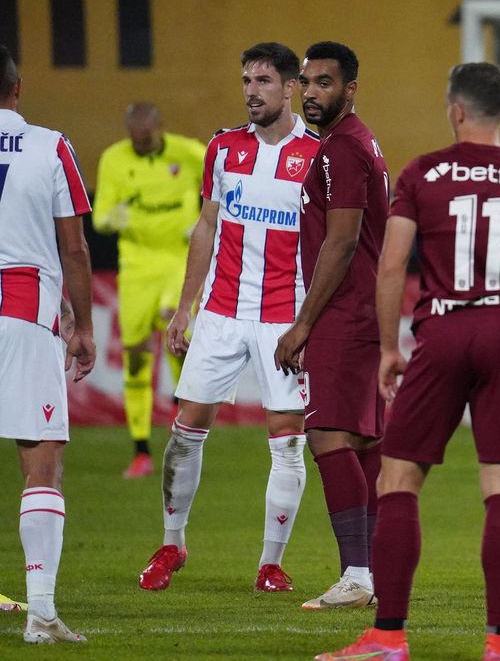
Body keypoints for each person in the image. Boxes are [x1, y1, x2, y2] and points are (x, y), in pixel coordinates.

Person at [318, 63, 500, 661]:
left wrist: (387, 348)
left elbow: (389, 266)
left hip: (444, 328)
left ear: (456, 110)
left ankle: (387, 637)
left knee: (399, 479)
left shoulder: (422, 172)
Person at [136, 42, 318, 594]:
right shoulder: (222, 148)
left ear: (290, 88)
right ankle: (172, 543)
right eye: (245, 80)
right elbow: (206, 228)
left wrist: (313, 323)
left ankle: (270, 563)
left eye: (263, 81)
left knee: (287, 439)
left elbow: (334, 243)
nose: (251, 91)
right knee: (186, 432)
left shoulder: (318, 155)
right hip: (220, 311)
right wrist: (185, 307)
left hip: (284, 317)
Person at [275, 41, 389, 610]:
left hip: (345, 311)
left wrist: (302, 325)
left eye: (325, 83)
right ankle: (371, 571)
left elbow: (342, 241)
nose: (312, 92)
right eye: (306, 82)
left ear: (350, 89)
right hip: (367, 307)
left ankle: (359, 574)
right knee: (364, 438)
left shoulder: (341, 150)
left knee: (325, 434)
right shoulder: (357, 141)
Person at [0, 44, 97, 643]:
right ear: (18, 87)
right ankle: (41, 612)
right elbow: (76, 249)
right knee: (41, 463)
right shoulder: (49, 144)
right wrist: (82, 326)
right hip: (23, 312)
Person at [93, 101, 206, 478]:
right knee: (137, 354)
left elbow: (228, 177)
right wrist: (113, 217)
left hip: (179, 260)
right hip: (137, 266)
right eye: (135, 141)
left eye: (147, 138)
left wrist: (210, 218)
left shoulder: (189, 153)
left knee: (177, 330)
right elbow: (100, 215)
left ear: (160, 128)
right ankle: (141, 449)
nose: (141, 145)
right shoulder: (114, 159)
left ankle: (185, 430)